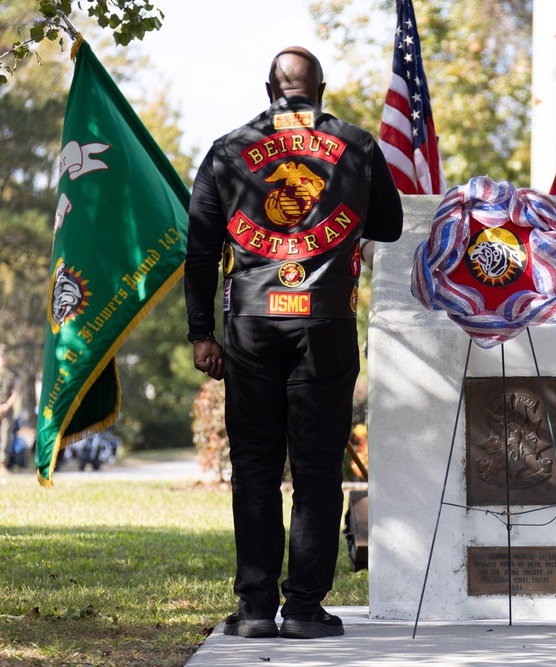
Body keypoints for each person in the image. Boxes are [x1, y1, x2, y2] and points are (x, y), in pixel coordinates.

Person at [184, 46, 403, 640]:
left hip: (250, 325)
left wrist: (200, 333)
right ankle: (304, 610)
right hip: (324, 323)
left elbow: (201, 248)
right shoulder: (356, 146)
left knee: (254, 467)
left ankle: (255, 610)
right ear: (322, 90)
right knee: (314, 471)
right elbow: (389, 225)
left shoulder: (228, 151)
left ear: (269, 88)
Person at [0, 344, 22, 471]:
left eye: (4, 356)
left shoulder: (13, 374)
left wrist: (6, 406)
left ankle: (2, 464)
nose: (2, 358)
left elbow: (16, 391)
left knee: (6, 436)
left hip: (7, 410)